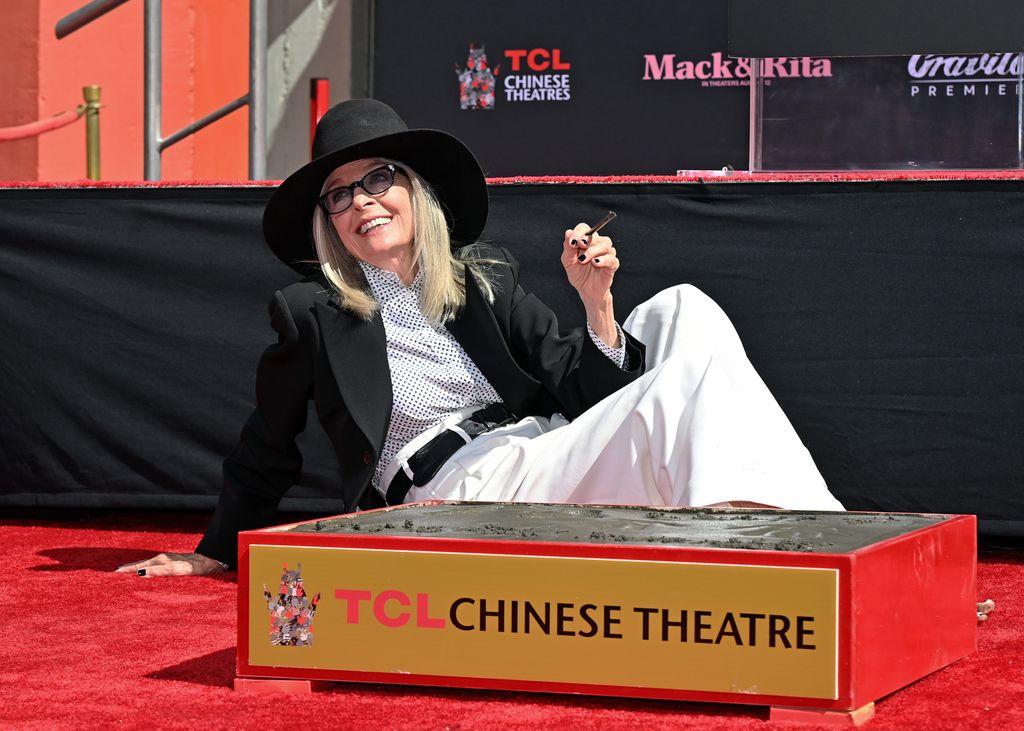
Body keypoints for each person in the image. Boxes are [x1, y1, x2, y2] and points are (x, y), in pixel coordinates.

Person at [117, 99, 843, 578]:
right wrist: (210, 554)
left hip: (545, 452)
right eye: (339, 194)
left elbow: (585, 388)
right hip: (455, 491)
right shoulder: (311, 310)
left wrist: (596, 308)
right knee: (691, 381)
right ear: (328, 221)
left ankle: (830, 546)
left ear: (415, 191)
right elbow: (265, 444)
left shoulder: (482, 275)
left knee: (686, 307)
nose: (361, 201)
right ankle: (770, 567)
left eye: (377, 178)